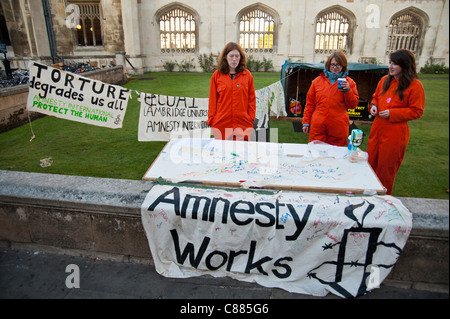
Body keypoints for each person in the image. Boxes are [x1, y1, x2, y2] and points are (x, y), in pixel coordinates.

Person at [367, 49, 425, 195]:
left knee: (386, 169)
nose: (390, 67)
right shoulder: (384, 81)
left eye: (395, 64)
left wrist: (393, 113)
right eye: (390, 63)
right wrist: (373, 106)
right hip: (377, 129)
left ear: (405, 66)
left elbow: (417, 111)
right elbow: (375, 97)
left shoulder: (415, 85)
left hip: (395, 133)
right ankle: (368, 196)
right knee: (369, 164)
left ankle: (384, 200)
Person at [302, 50, 359, 146]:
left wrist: (347, 91)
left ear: (343, 66)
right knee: (315, 152)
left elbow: (352, 105)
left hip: (338, 126)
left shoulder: (349, 83)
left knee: (335, 155)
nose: (335, 68)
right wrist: (306, 122)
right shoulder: (317, 82)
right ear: (328, 65)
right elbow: (309, 104)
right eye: (332, 65)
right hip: (318, 125)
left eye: (338, 65)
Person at [208, 42, 256, 141]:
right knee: (222, 153)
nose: (234, 59)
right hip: (221, 124)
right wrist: (212, 120)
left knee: (242, 153)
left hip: (243, 124)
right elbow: (212, 100)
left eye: (237, 56)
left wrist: (251, 118)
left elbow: (252, 99)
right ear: (225, 57)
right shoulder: (217, 76)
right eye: (231, 56)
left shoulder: (247, 76)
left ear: (241, 57)